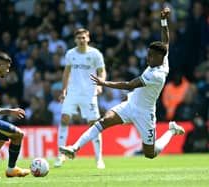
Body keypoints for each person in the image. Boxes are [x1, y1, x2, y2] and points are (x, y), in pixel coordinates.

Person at [59, 8, 185, 161]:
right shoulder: (162, 58)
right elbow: (165, 41)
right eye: (148, 54)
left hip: (145, 113)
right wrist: (164, 21)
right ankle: (74, 148)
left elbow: (129, 85)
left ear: (159, 57)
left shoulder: (157, 75)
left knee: (150, 154)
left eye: (151, 56)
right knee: (104, 121)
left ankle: (171, 131)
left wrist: (104, 83)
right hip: (130, 104)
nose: (148, 58)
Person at [54, 28, 107, 169]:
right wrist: (64, 90)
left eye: (84, 38)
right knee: (64, 118)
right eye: (79, 38)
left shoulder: (95, 54)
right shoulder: (70, 54)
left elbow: (102, 71)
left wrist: (100, 84)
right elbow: (66, 73)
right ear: (75, 40)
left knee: (93, 124)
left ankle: (98, 159)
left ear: (88, 38)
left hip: (90, 93)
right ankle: (60, 156)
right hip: (73, 92)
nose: (81, 40)